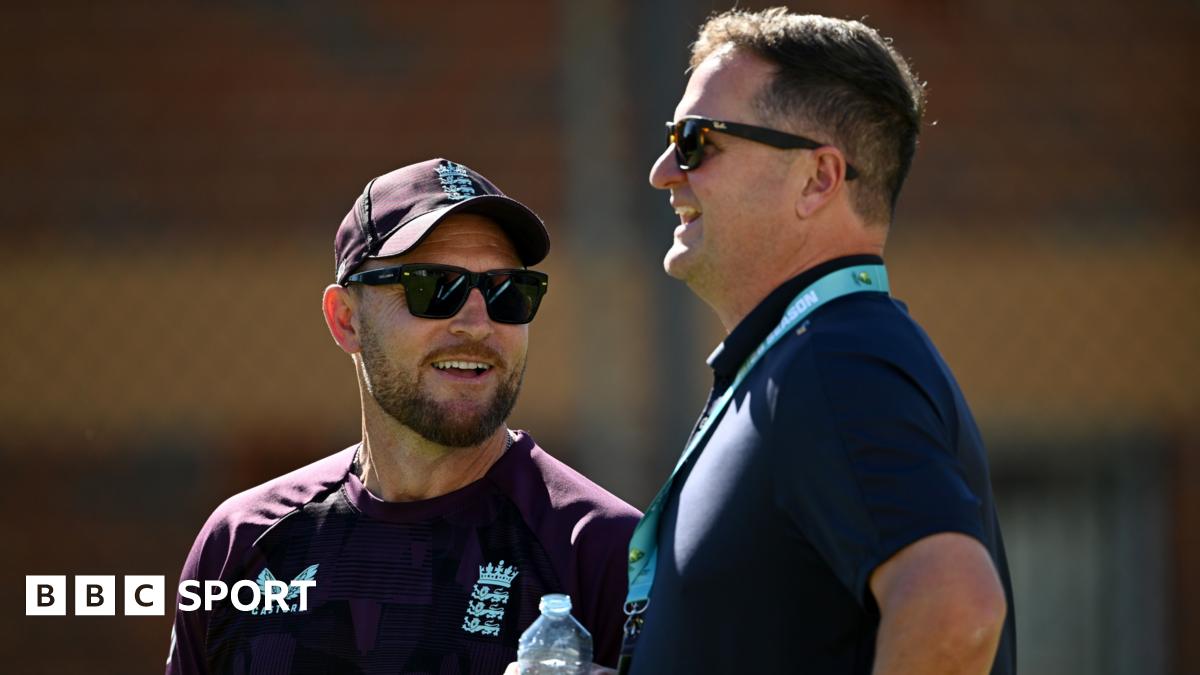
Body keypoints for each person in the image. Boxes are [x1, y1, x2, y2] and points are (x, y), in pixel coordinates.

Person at [620, 9, 1016, 675]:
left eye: (695, 141)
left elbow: (956, 608)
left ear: (818, 179)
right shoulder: (806, 358)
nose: (663, 170)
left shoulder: (835, 361)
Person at [166, 158, 641, 674]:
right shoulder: (241, 542)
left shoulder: (603, 551)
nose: (477, 324)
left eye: (507, 291)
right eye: (434, 287)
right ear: (346, 320)